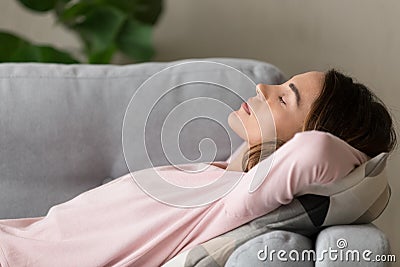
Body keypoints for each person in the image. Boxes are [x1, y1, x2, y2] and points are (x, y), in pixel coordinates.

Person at [0, 69, 396, 267]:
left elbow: (319, 150)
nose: (262, 89)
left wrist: (356, 149)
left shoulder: (237, 200)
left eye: (284, 99)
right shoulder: (223, 174)